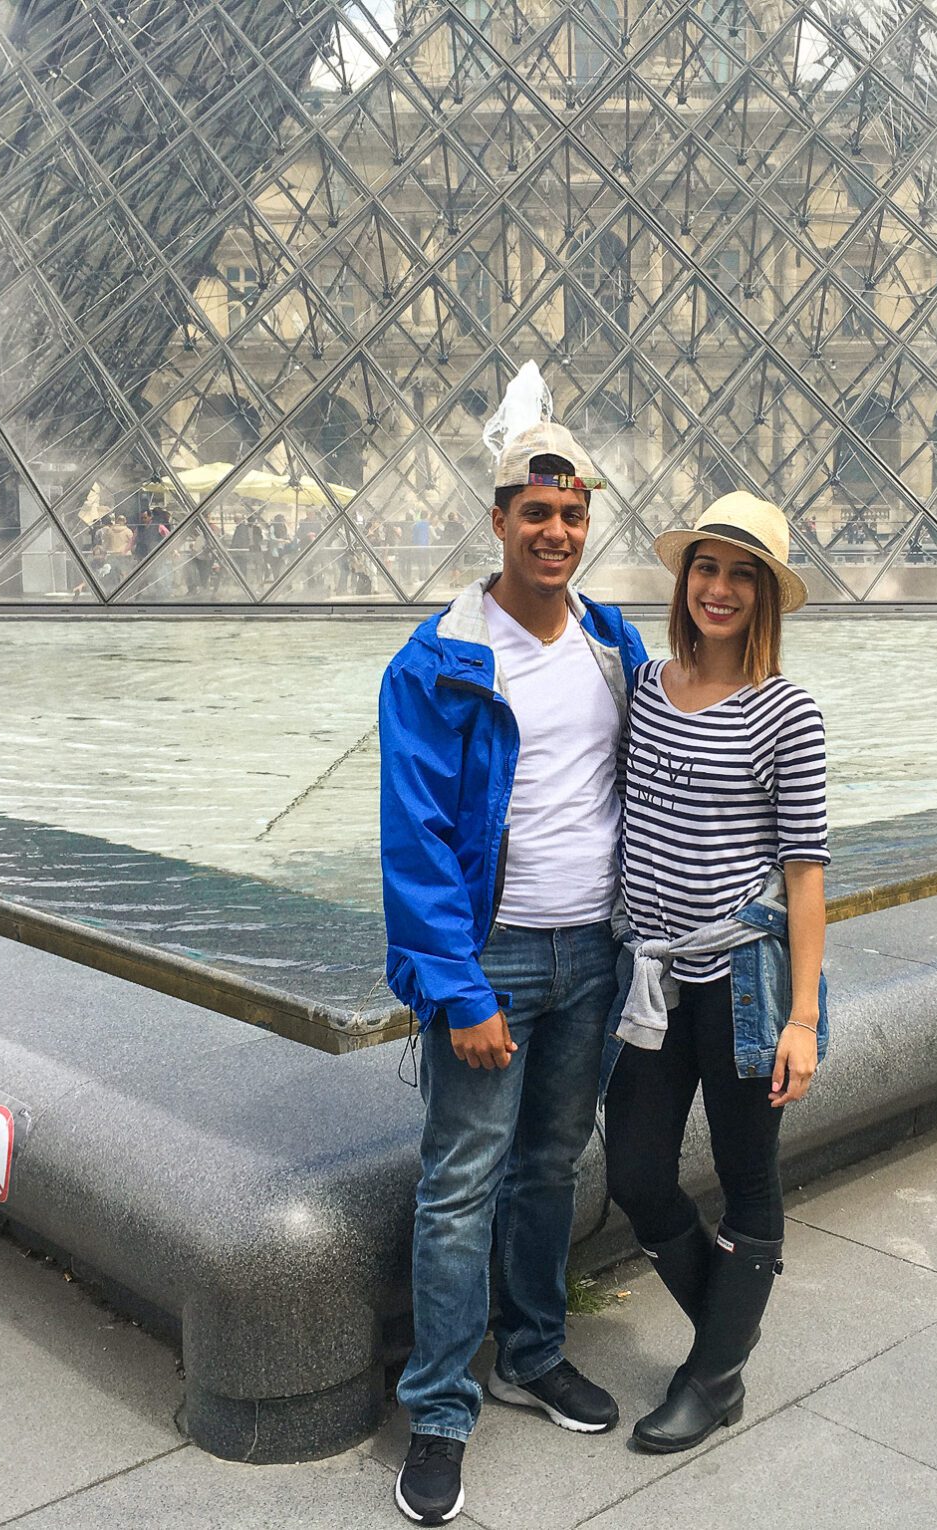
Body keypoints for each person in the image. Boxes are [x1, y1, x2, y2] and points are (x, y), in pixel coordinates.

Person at [379, 421, 650, 1526]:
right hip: (492, 959)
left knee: (548, 1166)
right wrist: (461, 988)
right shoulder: (434, 661)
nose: (555, 529)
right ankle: (438, 1411)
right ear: (497, 521)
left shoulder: (612, 643)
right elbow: (417, 840)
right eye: (534, 512)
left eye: (573, 513)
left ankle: (530, 1354)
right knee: (457, 1187)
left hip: (592, 951)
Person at [602, 490, 829, 1455]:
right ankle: (722, 1347)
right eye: (707, 567)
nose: (721, 588)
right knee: (637, 1172)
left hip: (740, 980)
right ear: (684, 578)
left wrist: (804, 1020)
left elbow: (806, 874)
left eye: (743, 575)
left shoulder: (789, 712)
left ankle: (714, 1374)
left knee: (748, 1181)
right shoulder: (645, 686)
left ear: (767, 596)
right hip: (650, 975)